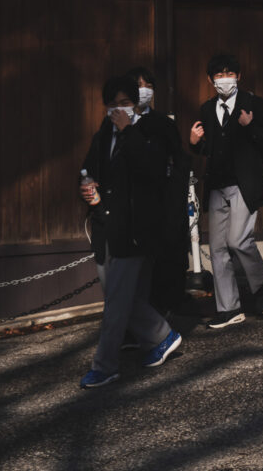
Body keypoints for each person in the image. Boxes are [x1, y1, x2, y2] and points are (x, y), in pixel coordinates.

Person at [78, 75, 182, 388]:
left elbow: (153, 170)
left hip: (134, 229)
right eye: (112, 104)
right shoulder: (101, 135)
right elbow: (88, 170)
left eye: (124, 104)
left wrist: (128, 130)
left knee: (115, 304)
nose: (118, 110)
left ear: (135, 104)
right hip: (105, 225)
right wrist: (87, 187)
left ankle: (105, 365)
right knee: (118, 296)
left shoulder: (149, 130)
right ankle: (162, 336)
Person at [189, 53, 263, 329]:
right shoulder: (206, 109)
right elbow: (211, 149)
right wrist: (195, 143)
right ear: (209, 79)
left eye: (229, 73)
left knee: (238, 240)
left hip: (244, 183)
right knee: (216, 247)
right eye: (218, 75)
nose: (224, 79)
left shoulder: (254, 104)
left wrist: (250, 126)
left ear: (238, 76)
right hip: (216, 184)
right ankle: (228, 308)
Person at [125, 66, 190, 317]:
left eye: (149, 85)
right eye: (138, 84)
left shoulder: (163, 123)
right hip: (130, 204)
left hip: (161, 202)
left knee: (163, 260)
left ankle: (162, 314)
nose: (144, 90)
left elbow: (179, 161)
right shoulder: (116, 123)